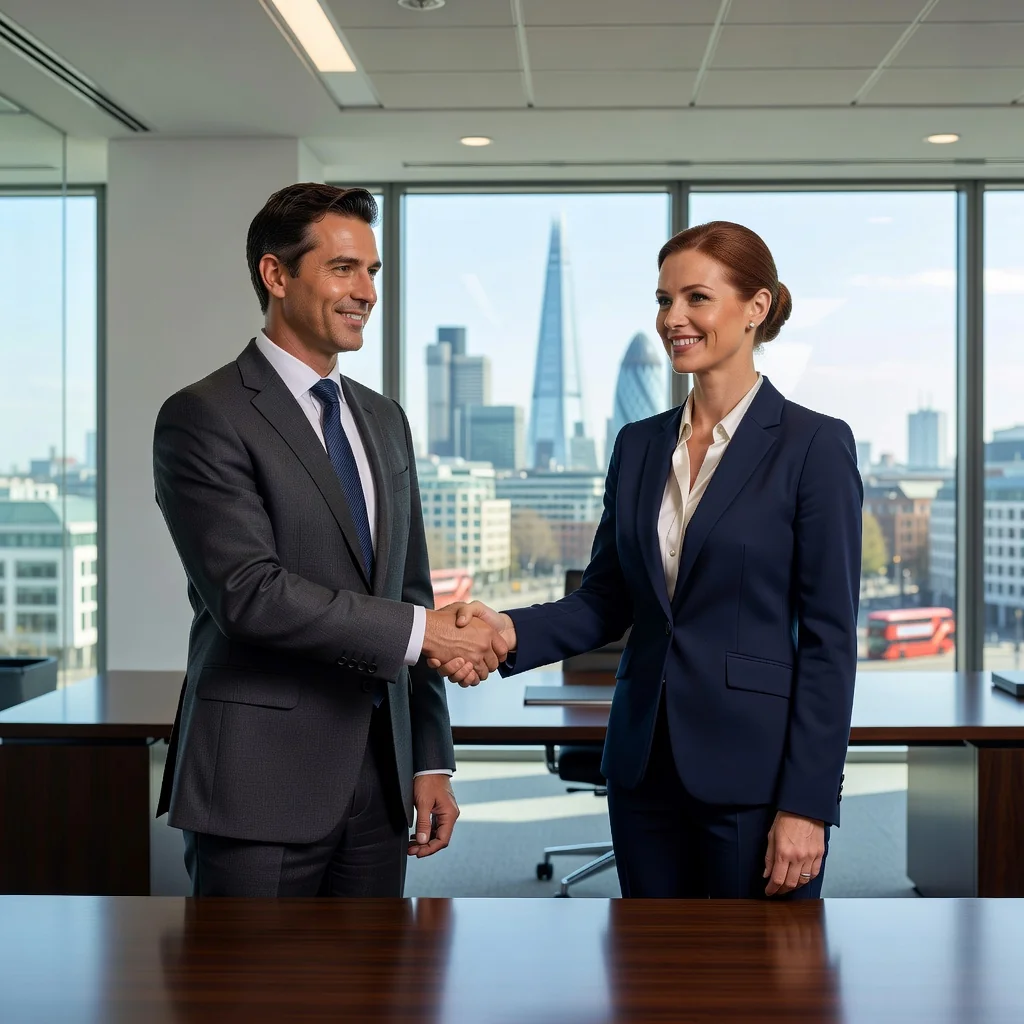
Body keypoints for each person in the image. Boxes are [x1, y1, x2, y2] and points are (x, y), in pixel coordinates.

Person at [436, 221, 862, 899]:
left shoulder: (814, 446)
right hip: (641, 766)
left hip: (753, 773)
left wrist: (807, 804)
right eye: (664, 301)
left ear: (756, 307)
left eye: (697, 298)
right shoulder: (638, 445)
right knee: (646, 981)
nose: (674, 319)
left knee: (763, 989)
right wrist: (504, 631)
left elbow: (830, 641)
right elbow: (608, 599)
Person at [154, 184, 507, 897]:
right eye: (344, 268)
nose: (367, 291)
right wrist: (428, 634)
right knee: (253, 1000)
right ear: (275, 275)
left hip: (379, 783)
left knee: (373, 996)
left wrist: (429, 760)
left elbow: (409, 592)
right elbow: (249, 595)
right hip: (259, 782)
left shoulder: (382, 420)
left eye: (373, 272)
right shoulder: (204, 416)